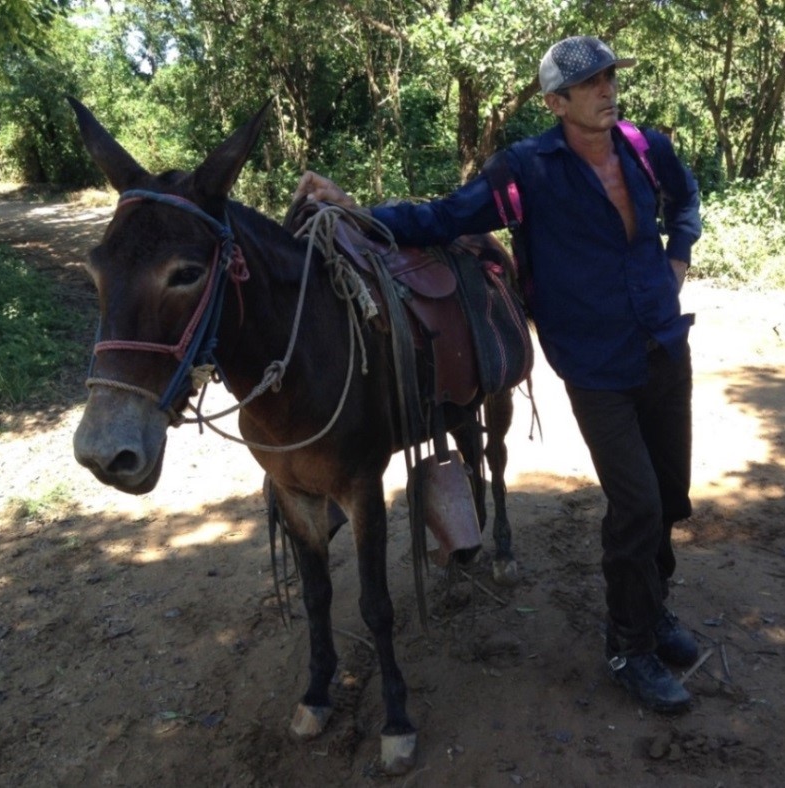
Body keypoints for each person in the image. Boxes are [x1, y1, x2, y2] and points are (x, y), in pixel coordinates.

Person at [294, 35, 702, 715]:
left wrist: (677, 261)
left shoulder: (644, 147)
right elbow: (443, 217)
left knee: (668, 494)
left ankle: (653, 609)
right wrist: (357, 210)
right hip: (595, 364)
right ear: (556, 102)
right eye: (590, 83)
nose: (606, 90)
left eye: (609, 77)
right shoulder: (525, 171)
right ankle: (629, 645)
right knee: (636, 504)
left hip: (664, 344)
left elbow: (686, 200)